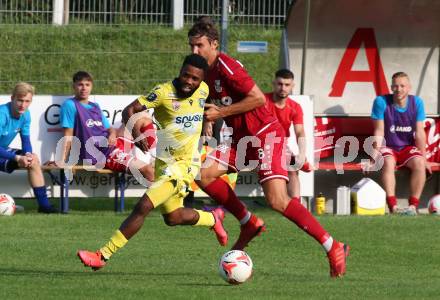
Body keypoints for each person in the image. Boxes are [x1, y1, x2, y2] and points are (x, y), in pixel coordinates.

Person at [189, 17, 349, 277]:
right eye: (191, 46)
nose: (194, 51)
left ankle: (333, 246)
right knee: (204, 175)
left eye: (199, 46)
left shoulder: (227, 66)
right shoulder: (206, 72)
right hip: (242, 139)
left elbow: (255, 98)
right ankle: (247, 221)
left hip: (264, 134)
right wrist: (207, 118)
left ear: (214, 44)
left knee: (277, 199)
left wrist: (221, 113)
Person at [77, 54, 227, 270]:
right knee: (173, 217)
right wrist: (137, 135)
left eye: (195, 79)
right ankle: (213, 219)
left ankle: (102, 255)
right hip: (164, 163)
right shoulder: (163, 92)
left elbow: (209, 103)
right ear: (180, 71)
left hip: (185, 166)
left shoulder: (204, 88)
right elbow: (129, 110)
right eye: (186, 75)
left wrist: (207, 122)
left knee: (144, 205)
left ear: (201, 79)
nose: (189, 82)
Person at [58, 71, 154, 183]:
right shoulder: (70, 105)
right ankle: (153, 197)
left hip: (114, 142)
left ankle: (153, 156)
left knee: (143, 117)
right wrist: (63, 160)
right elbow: (68, 136)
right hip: (104, 153)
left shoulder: (95, 106)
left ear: (91, 86)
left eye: (87, 85)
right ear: (74, 86)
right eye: (80, 84)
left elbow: (109, 129)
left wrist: (112, 135)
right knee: (148, 171)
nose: (84, 88)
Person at [369, 71, 429, 215]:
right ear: (391, 87)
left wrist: (425, 158)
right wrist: (374, 156)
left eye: (402, 86)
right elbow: (379, 131)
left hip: (407, 147)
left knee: (420, 163)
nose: (399, 89)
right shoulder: (381, 102)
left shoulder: (417, 102)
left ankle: (413, 206)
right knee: (388, 161)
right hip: (387, 146)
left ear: (409, 87)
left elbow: (420, 133)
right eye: (395, 86)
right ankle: (393, 206)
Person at [0, 82, 57, 213]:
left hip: (2, 151)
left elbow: (25, 140)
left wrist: (28, 155)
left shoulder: (26, 115)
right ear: (12, 98)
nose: (23, 105)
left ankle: (44, 207)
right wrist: (17, 157)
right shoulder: (2, 114)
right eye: (20, 100)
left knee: (33, 161)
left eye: (27, 101)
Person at [265, 69, 310, 199]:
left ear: (292, 86)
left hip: (280, 147)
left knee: (293, 167)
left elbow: (300, 131)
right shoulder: (262, 101)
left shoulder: (295, 107)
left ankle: (296, 205)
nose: (283, 88)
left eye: (287, 85)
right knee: (291, 163)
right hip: (259, 144)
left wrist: (302, 154)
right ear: (274, 83)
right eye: (280, 84)